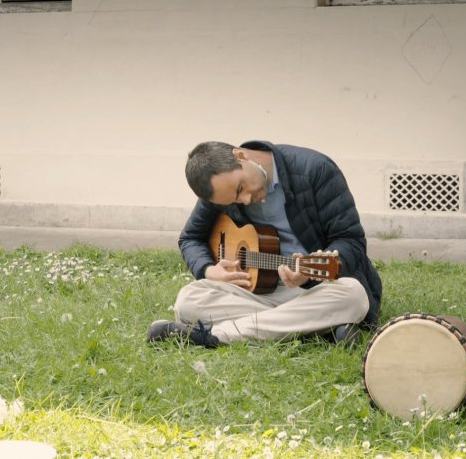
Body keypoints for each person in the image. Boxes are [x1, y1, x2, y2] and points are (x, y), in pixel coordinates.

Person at [146, 140, 382, 348]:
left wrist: (307, 275)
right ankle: (317, 327)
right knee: (188, 299)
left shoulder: (315, 169)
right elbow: (190, 238)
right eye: (235, 199)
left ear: (241, 156)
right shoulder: (221, 190)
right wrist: (209, 270)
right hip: (260, 292)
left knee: (353, 295)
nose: (245, 199)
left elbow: (350, 241)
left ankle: (215, 336)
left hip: (317, 289)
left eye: (241, 188)